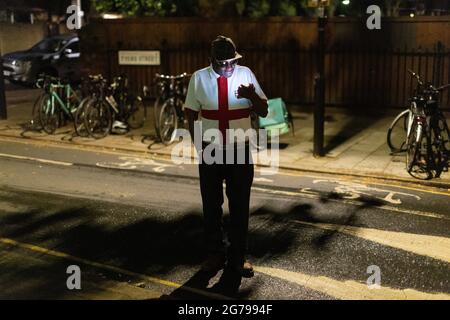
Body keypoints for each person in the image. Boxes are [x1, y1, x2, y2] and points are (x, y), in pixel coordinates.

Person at [184, 35, 268, 280]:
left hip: (240, 149)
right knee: (211, 205)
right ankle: (215, 254)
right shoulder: (198, 78)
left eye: (232, 62)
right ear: (211, 60)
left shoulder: (246, 74)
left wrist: (252, 96)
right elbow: (190, 113)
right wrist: (197, 144)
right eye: (223, 63)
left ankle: (238, 257)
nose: (228, 67)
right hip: (210, 149)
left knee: (240, 206)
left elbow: (263, 110)